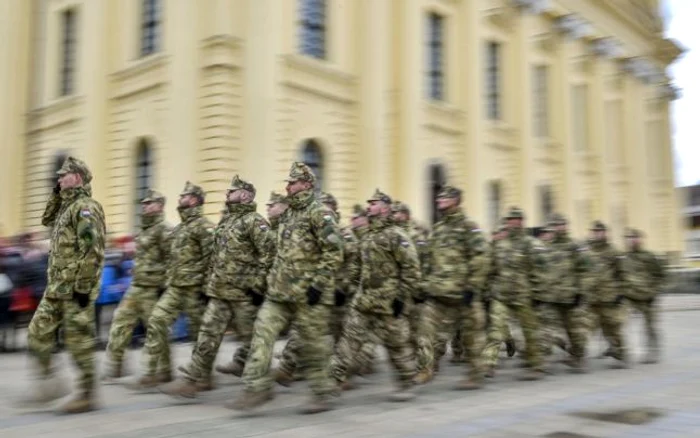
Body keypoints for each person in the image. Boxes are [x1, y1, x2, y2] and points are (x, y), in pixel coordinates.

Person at [228, 162, 343, 414]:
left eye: (292, 182)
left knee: (312, 345)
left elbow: (334, 253)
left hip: (309, 295)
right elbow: (277, 254)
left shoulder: (320, 214)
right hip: (279, 292)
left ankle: (322, 391)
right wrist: (262, 285)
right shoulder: (288, 214)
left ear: (307, 184)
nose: (287, 186)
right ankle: (257, 387)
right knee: (262, 333)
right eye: (288, 182)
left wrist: (319, 284)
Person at [162, 175, 274, 397]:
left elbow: (270, 253)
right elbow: (215, 257)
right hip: (219, 292)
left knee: (252, 340)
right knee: (207, 334)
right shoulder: (227, 221)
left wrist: (258, 286)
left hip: (243, 294)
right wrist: (209, 284)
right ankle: (192, 380)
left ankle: (260, 386)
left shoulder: (254, 221)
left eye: (231, 191)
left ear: (244, 195)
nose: (226, 194)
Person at [24, 156, 106, 413]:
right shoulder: (65, 208)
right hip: (56, 287)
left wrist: (83, 286)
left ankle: (87, 393)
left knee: (78, 341)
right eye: (58, 176)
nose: (58, 179)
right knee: (37, 332)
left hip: (75, 289)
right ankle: (52, 382)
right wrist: (56, 193)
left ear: (78, 178)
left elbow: (92, 250)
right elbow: (46, 219)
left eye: (63, 176)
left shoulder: (86, 208)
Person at [331, 189, 421, 401]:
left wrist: (401, 297)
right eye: (368, 203)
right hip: (364, 301)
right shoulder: (368, 235)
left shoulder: (397, 236)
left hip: (389, 302)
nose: (369, 206)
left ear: (385, 208)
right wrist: (348, 288)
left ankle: (407, 381)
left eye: (373, 203)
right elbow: (358, 266)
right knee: (348, 341)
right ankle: (330, 383)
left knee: (397, 345)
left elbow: (411, 269)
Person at [130, 182, 215, 389]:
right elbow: (171, 259)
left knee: (199, 334)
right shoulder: (179, 228)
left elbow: (212, 258)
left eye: (184, 195)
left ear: (194, 199)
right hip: (175, 288)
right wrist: (166, 282)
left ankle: (204, 376)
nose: (180, 198)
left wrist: (207, 289)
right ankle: (154, 371)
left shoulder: (204, 226)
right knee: (157, 320)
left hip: (195, 289)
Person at [413, 186, 488, 389]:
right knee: (425, 332)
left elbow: (480, 257)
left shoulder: (468, 226)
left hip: (462, 292)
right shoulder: (438, 228)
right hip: (438, 292)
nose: (439, 201)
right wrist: (423, 286)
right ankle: (425, 369)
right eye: (438, 198)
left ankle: (476, 375)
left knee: (472, 337)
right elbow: (429, 259)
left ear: (455, 200)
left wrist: (472, 287)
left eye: (443, 198)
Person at [103, 190, 172, 381]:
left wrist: (164, 287)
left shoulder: (164, 230)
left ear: (159, 206)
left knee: (156, 329)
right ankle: (116, 365)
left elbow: (173, 260)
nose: (145, 206)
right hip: (136, 287)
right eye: (144, 203)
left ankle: (163, 370)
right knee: (120, 320)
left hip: (153, 288)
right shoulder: (143, 230)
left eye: (149, 203)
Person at [622, 228, 665, 364]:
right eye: (629, 238)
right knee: (619, 323)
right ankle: (622, 351)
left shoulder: (649, 256)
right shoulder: (623, 257)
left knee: (650, 326)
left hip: (648, 299)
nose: (632, 240)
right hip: (630, 298)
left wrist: (654, 292)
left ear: (640, 239)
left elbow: (660, 276)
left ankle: (653, 351)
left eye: (634, 237)